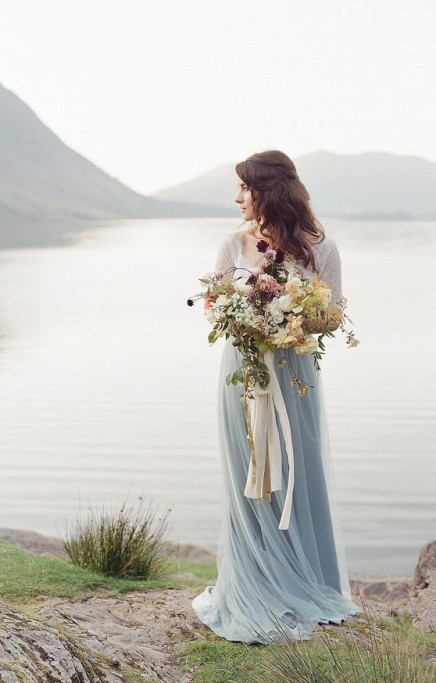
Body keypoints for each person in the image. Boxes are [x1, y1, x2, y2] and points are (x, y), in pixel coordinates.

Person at [192, 150, 357, 644]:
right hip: (242, 373)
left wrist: (293, 317)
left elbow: (334, 314)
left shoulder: (320, 248)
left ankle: (304, 580)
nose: (238, 197)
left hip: (294, 374)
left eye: (245, 187)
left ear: (268, 191)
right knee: (248, 472)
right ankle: (251, 583)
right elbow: (212, 305)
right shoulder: (233, 242)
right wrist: (248, 315)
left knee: (296, 468)